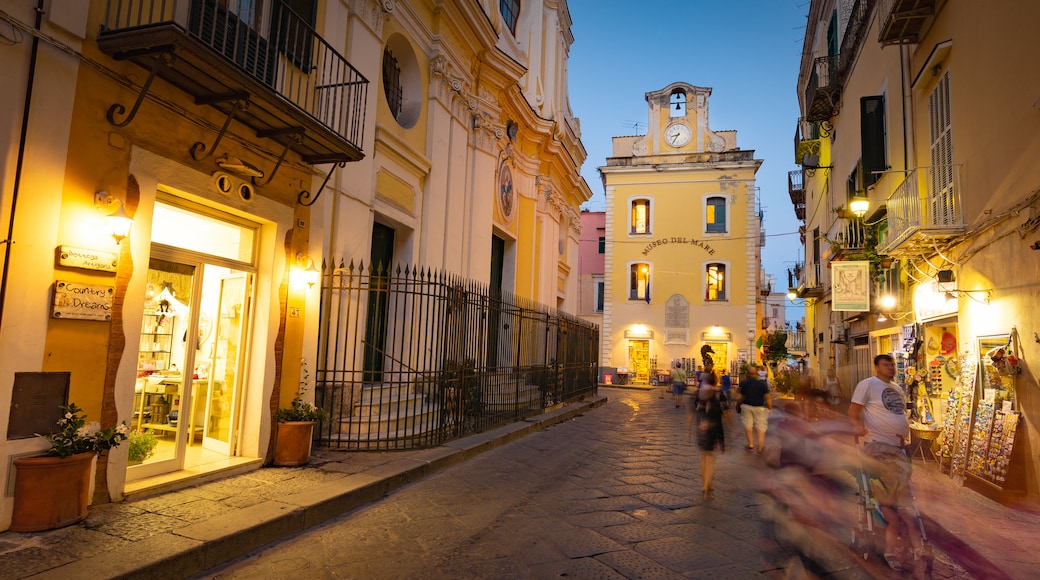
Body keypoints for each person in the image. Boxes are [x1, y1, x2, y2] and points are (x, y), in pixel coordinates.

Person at [849, 354, 924, 571]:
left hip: (898, 449)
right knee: (886, 488)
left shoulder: (898, 388)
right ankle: (891, 546)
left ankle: (917, 547)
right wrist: (856, 426)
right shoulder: (868, 385)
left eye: (892, 364)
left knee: (904, 494)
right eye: (886, 364)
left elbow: (897, 413)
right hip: (877, 447)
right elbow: (854, 412)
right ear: (876, 366)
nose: (891, 367)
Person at [694, 370, 725, 499]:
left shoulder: (699, 392)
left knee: (703, 455)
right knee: (710, 457)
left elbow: (694, 409)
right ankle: (707, 485)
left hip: (701, 426)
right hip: (713, 427)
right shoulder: (718, 393)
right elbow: (724, 412)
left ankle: (704, 484)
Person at [738, 364, 772, 453]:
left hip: (747, 406)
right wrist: (770, 408)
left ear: (748, 374)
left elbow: (741, 397)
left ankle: (750, 444)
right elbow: (767, 397)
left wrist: (737, 405)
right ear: (756, 374)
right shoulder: (762, 384)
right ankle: (760, 446)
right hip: (759, 407)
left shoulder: (744, 383)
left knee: (748, 425)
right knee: (760, 427)